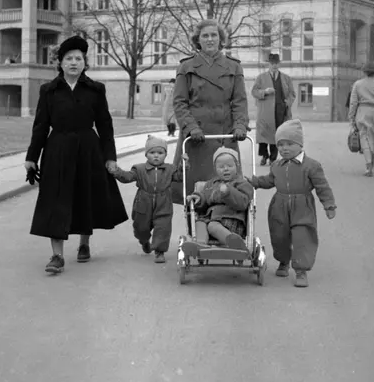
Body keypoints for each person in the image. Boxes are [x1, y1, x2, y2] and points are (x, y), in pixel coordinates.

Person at [24, 35, 128, 274]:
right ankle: (57, 255)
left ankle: (84, 243)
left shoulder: (96, 90)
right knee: (55, 200)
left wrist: (110, 157)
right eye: (69, 58)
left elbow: (105, 125)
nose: (73, 62)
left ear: (84, 63)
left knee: (84, 196)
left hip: (88, 150)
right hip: (57, 150)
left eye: (78, 59)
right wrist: (31, 157)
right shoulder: (48, 91)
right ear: (60, 62)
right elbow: (40, 126)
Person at [247, 119, 336, 288]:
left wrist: (329, 204)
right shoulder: (276, 165)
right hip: (279, 206)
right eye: (280, 145)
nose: (284, 148)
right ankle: (283, 261)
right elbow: (269, 181)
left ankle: (301, 270)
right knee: (279, 236)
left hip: (302, 207)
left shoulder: (312, 166)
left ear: (300, 144)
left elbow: (322, 187)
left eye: (289, 144)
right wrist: (255, 182)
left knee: (303, 237)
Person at [171, 19, 249, 204]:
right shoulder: (186, 67)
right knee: (194, 194)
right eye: (205, 36)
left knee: (227, 190)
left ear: (221, 39)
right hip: (196, 139)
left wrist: (240, 125)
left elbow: (239, 101)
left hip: (224, 136)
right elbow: (180, 102)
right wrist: (191, 127)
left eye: (214, 35)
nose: (210, 39)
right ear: (198, 40)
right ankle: (194, 220)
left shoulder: (234, 67)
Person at [109, 135, 183, 264]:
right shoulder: (139, 169)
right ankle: (144, 241)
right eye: (152, 152)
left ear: (165, 154)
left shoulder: (170, 169)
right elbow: (127, 177)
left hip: (163, 202)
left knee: (163, 227)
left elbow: (180, 177)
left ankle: (159, 251)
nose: (156, 156)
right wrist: (117, 171)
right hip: (143, 202)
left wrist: (183, 165)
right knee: (141, 228)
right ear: (146, 154)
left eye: (160, 153)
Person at [182, 147, 253, 255]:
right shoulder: (211, 184)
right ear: (215, 169)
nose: (226, 169)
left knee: (212, 226)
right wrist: (199, 199)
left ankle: (234, 243)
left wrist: (228, 192)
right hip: (211, 218)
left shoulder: (242, 184)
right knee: (199, 223)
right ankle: (200, 245)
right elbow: (205, 198)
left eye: (230, 166)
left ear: (237, 166)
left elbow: (243, 203)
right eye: (221, 167)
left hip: (231, 219)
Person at [251, 53, 296, 165]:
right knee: (263, 135)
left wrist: (288, 102)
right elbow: (254, 92)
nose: (274, 65)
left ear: (279, 64)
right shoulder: (261, 77)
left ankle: (273, 158)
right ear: (269, 64)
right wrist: (264, 92)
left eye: (276, 63)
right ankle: (264, 155)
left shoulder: (286, 78)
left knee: (277, 135)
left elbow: (292, 94)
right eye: (272, 63)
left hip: (280, 111)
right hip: (265, 112)